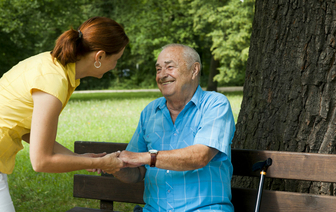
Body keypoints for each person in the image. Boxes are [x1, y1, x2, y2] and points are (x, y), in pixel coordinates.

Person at [0, 17, 128, 211]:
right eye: (116, 60)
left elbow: (28, 132)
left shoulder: (52, 65)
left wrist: (83, 158)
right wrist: (100, 162)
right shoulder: (53, 82)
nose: (115, 66)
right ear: (99, 56)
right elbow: (41, 161)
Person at [113, 44, 235, 211]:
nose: (162, 75)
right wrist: (115, 166)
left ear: (194, 70)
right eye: (158, 69)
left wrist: (146, 158)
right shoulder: (150, 112)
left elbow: (201, 156)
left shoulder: (215, 105)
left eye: (170, 67)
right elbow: (137, 171)